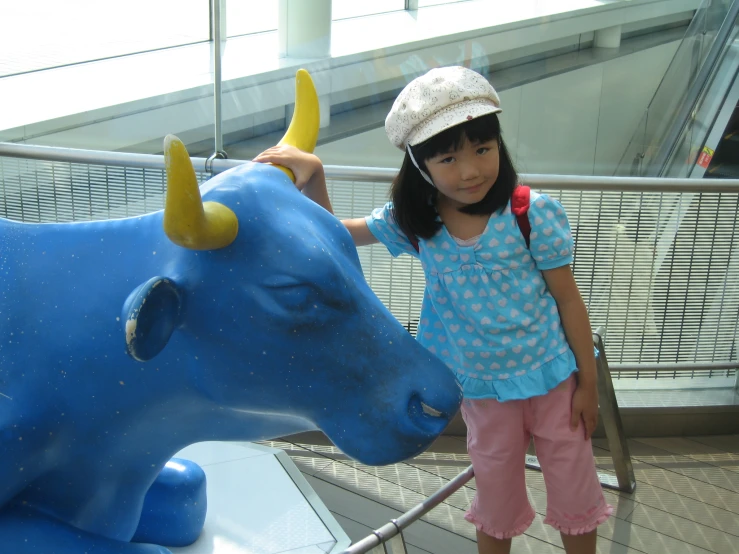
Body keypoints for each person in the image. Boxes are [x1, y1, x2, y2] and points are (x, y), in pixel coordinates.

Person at [254, 65, 613, 554]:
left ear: (498, 146)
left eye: (482, 149)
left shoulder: (530, 214)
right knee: (496, 497)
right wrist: (314, 172)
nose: (470, 171)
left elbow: (569, 300)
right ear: (421, 166)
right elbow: (338, 233)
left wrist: (587, 385)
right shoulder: (418, 225)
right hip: (482, 392)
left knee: (575, 491)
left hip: (554, 380)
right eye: (447, 158)